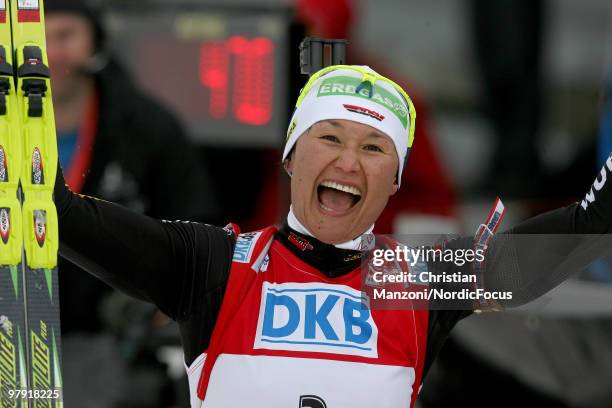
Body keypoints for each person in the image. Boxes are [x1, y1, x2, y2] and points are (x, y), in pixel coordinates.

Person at [55, 65, 612, 407]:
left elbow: (565, 240)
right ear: (292, 158)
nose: (348, 161)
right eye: (329, 138)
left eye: (374, 148)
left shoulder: (423, 279)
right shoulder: (215, 265)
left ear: (394, 181)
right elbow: (62, 218)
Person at [45, 1, 219, 405]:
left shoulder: (147, 126)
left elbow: (197, 228)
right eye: (38, 39)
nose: (52, 52)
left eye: (65, 36)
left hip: (105, 339)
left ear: (96, 40)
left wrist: (152, 301)